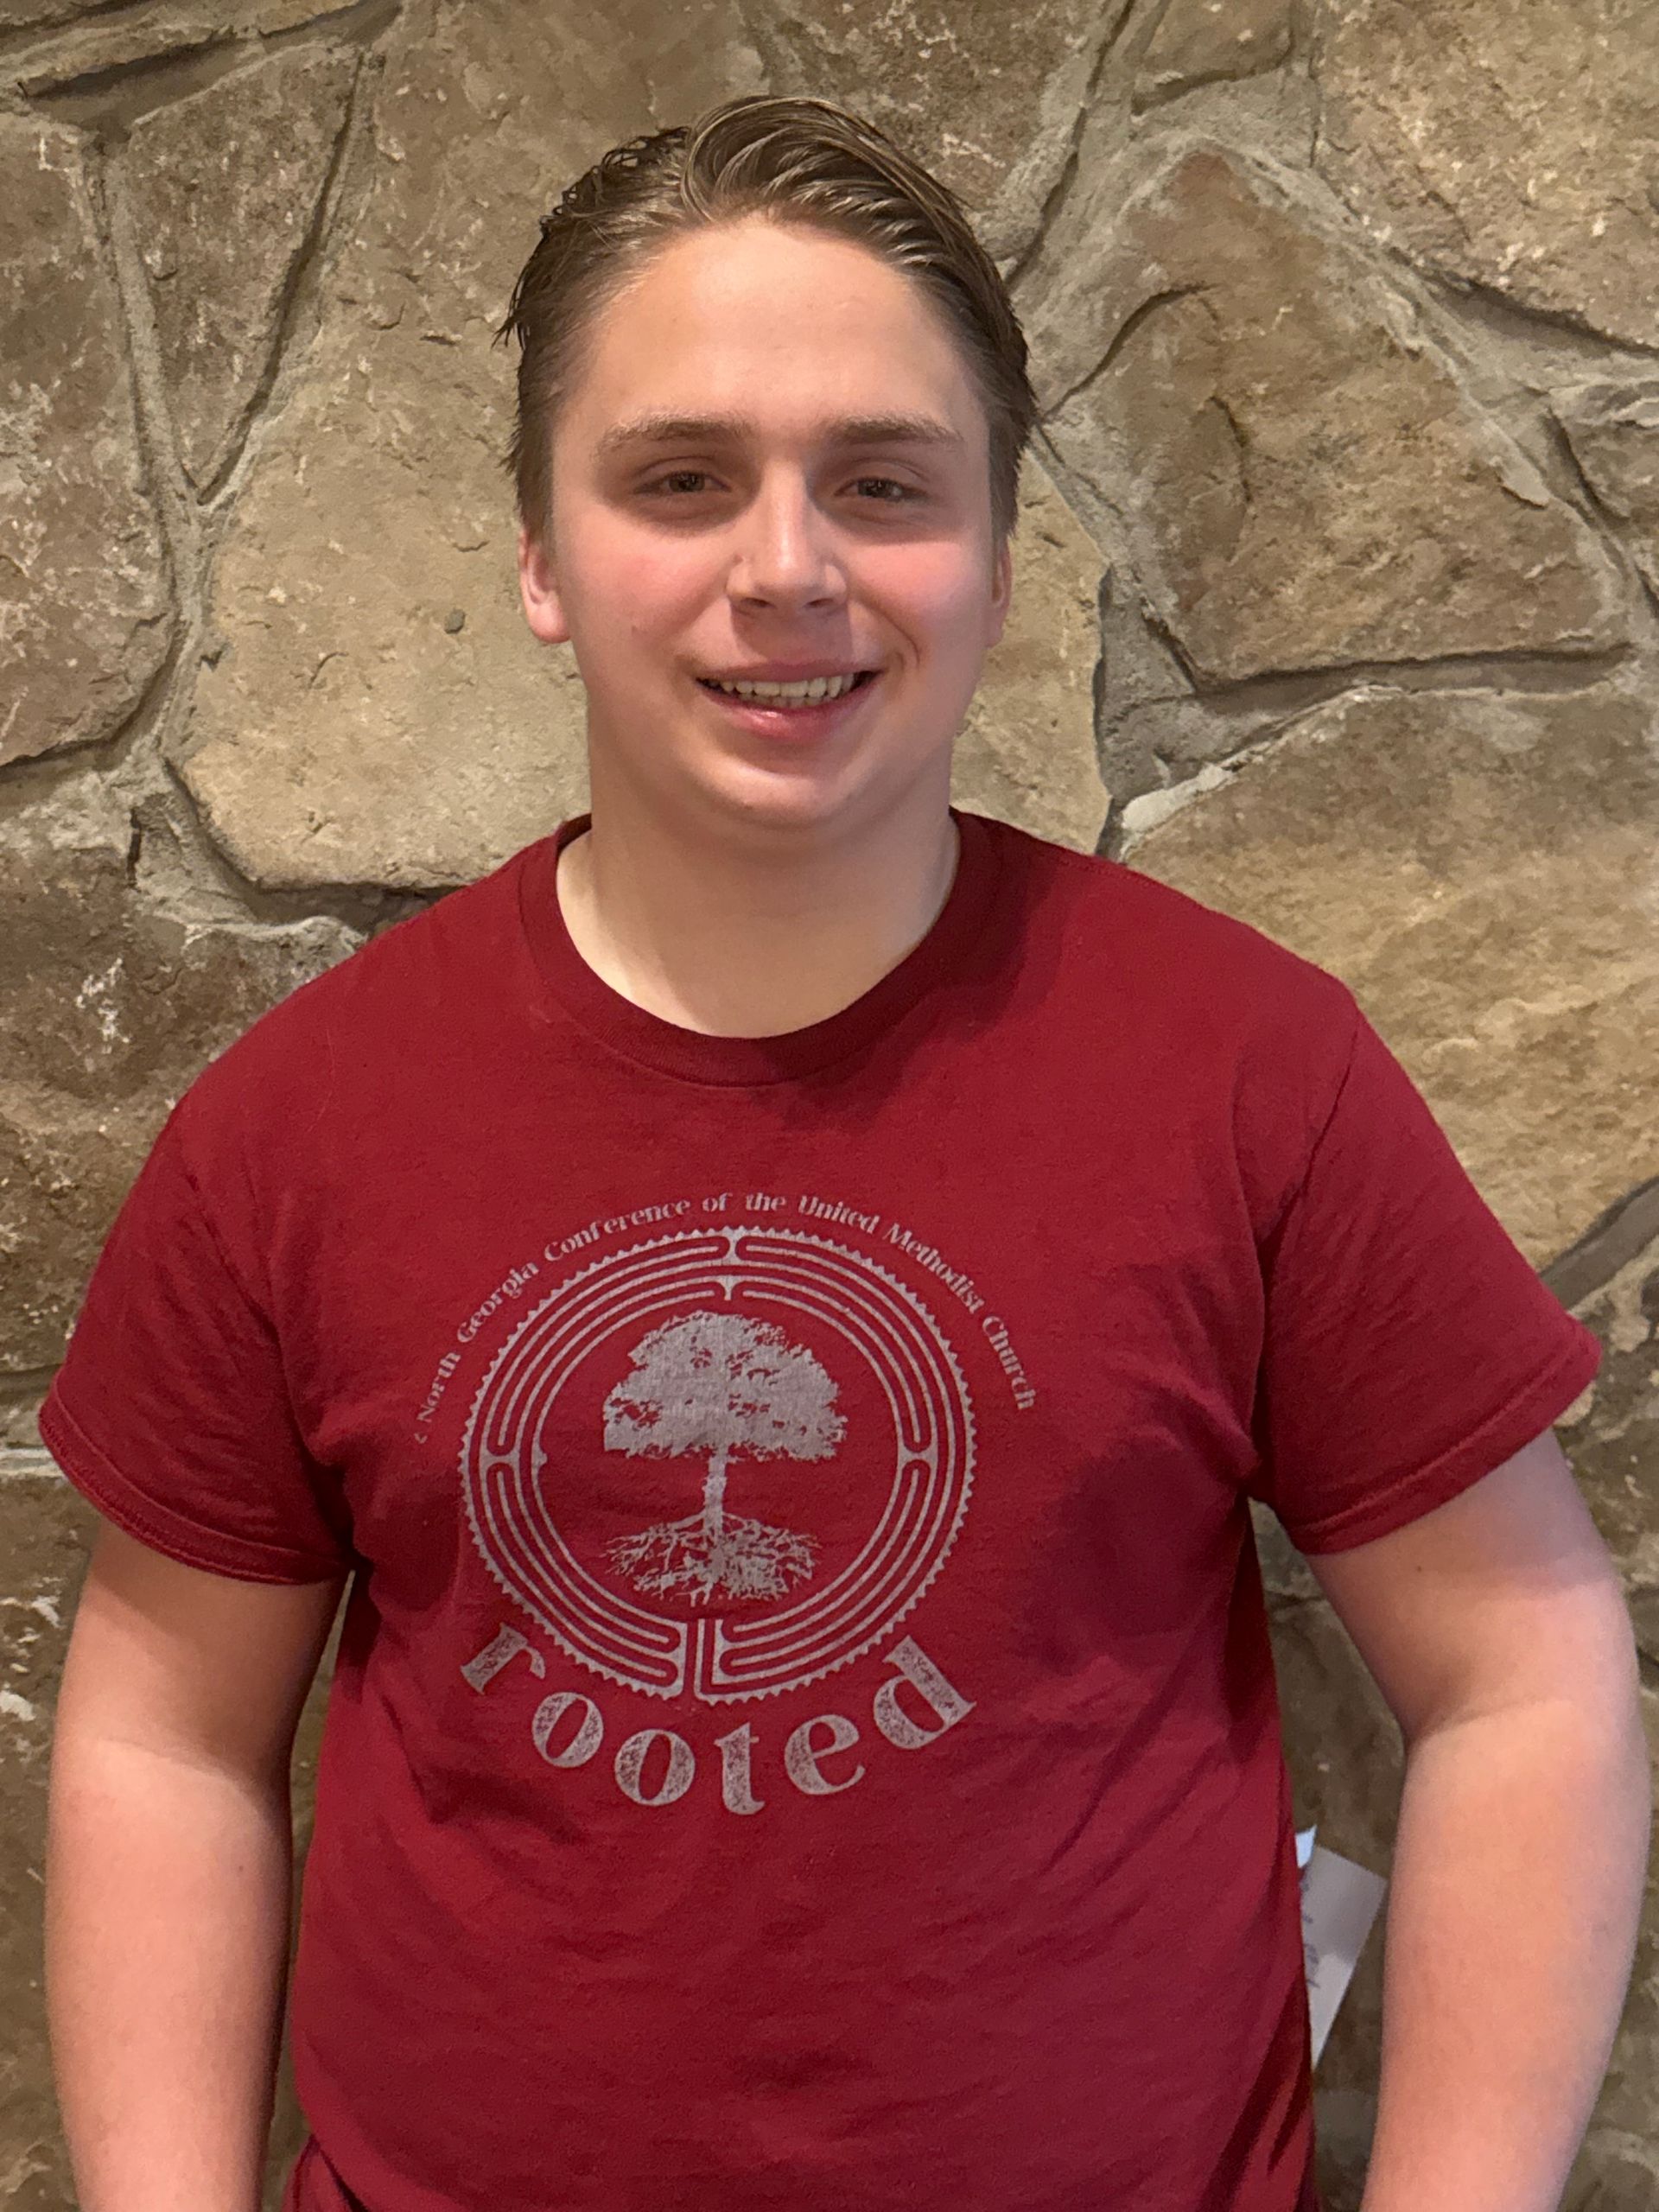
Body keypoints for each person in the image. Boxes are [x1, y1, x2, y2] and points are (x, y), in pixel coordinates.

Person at [41, 92, 1648, 2212]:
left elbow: (1526, 1672)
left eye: (882, 484)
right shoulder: (297, 1124)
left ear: (993, 548)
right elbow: (164, 1740)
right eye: (681, 478)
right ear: (539, 551)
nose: (785, 566)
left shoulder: (1244, 1069)